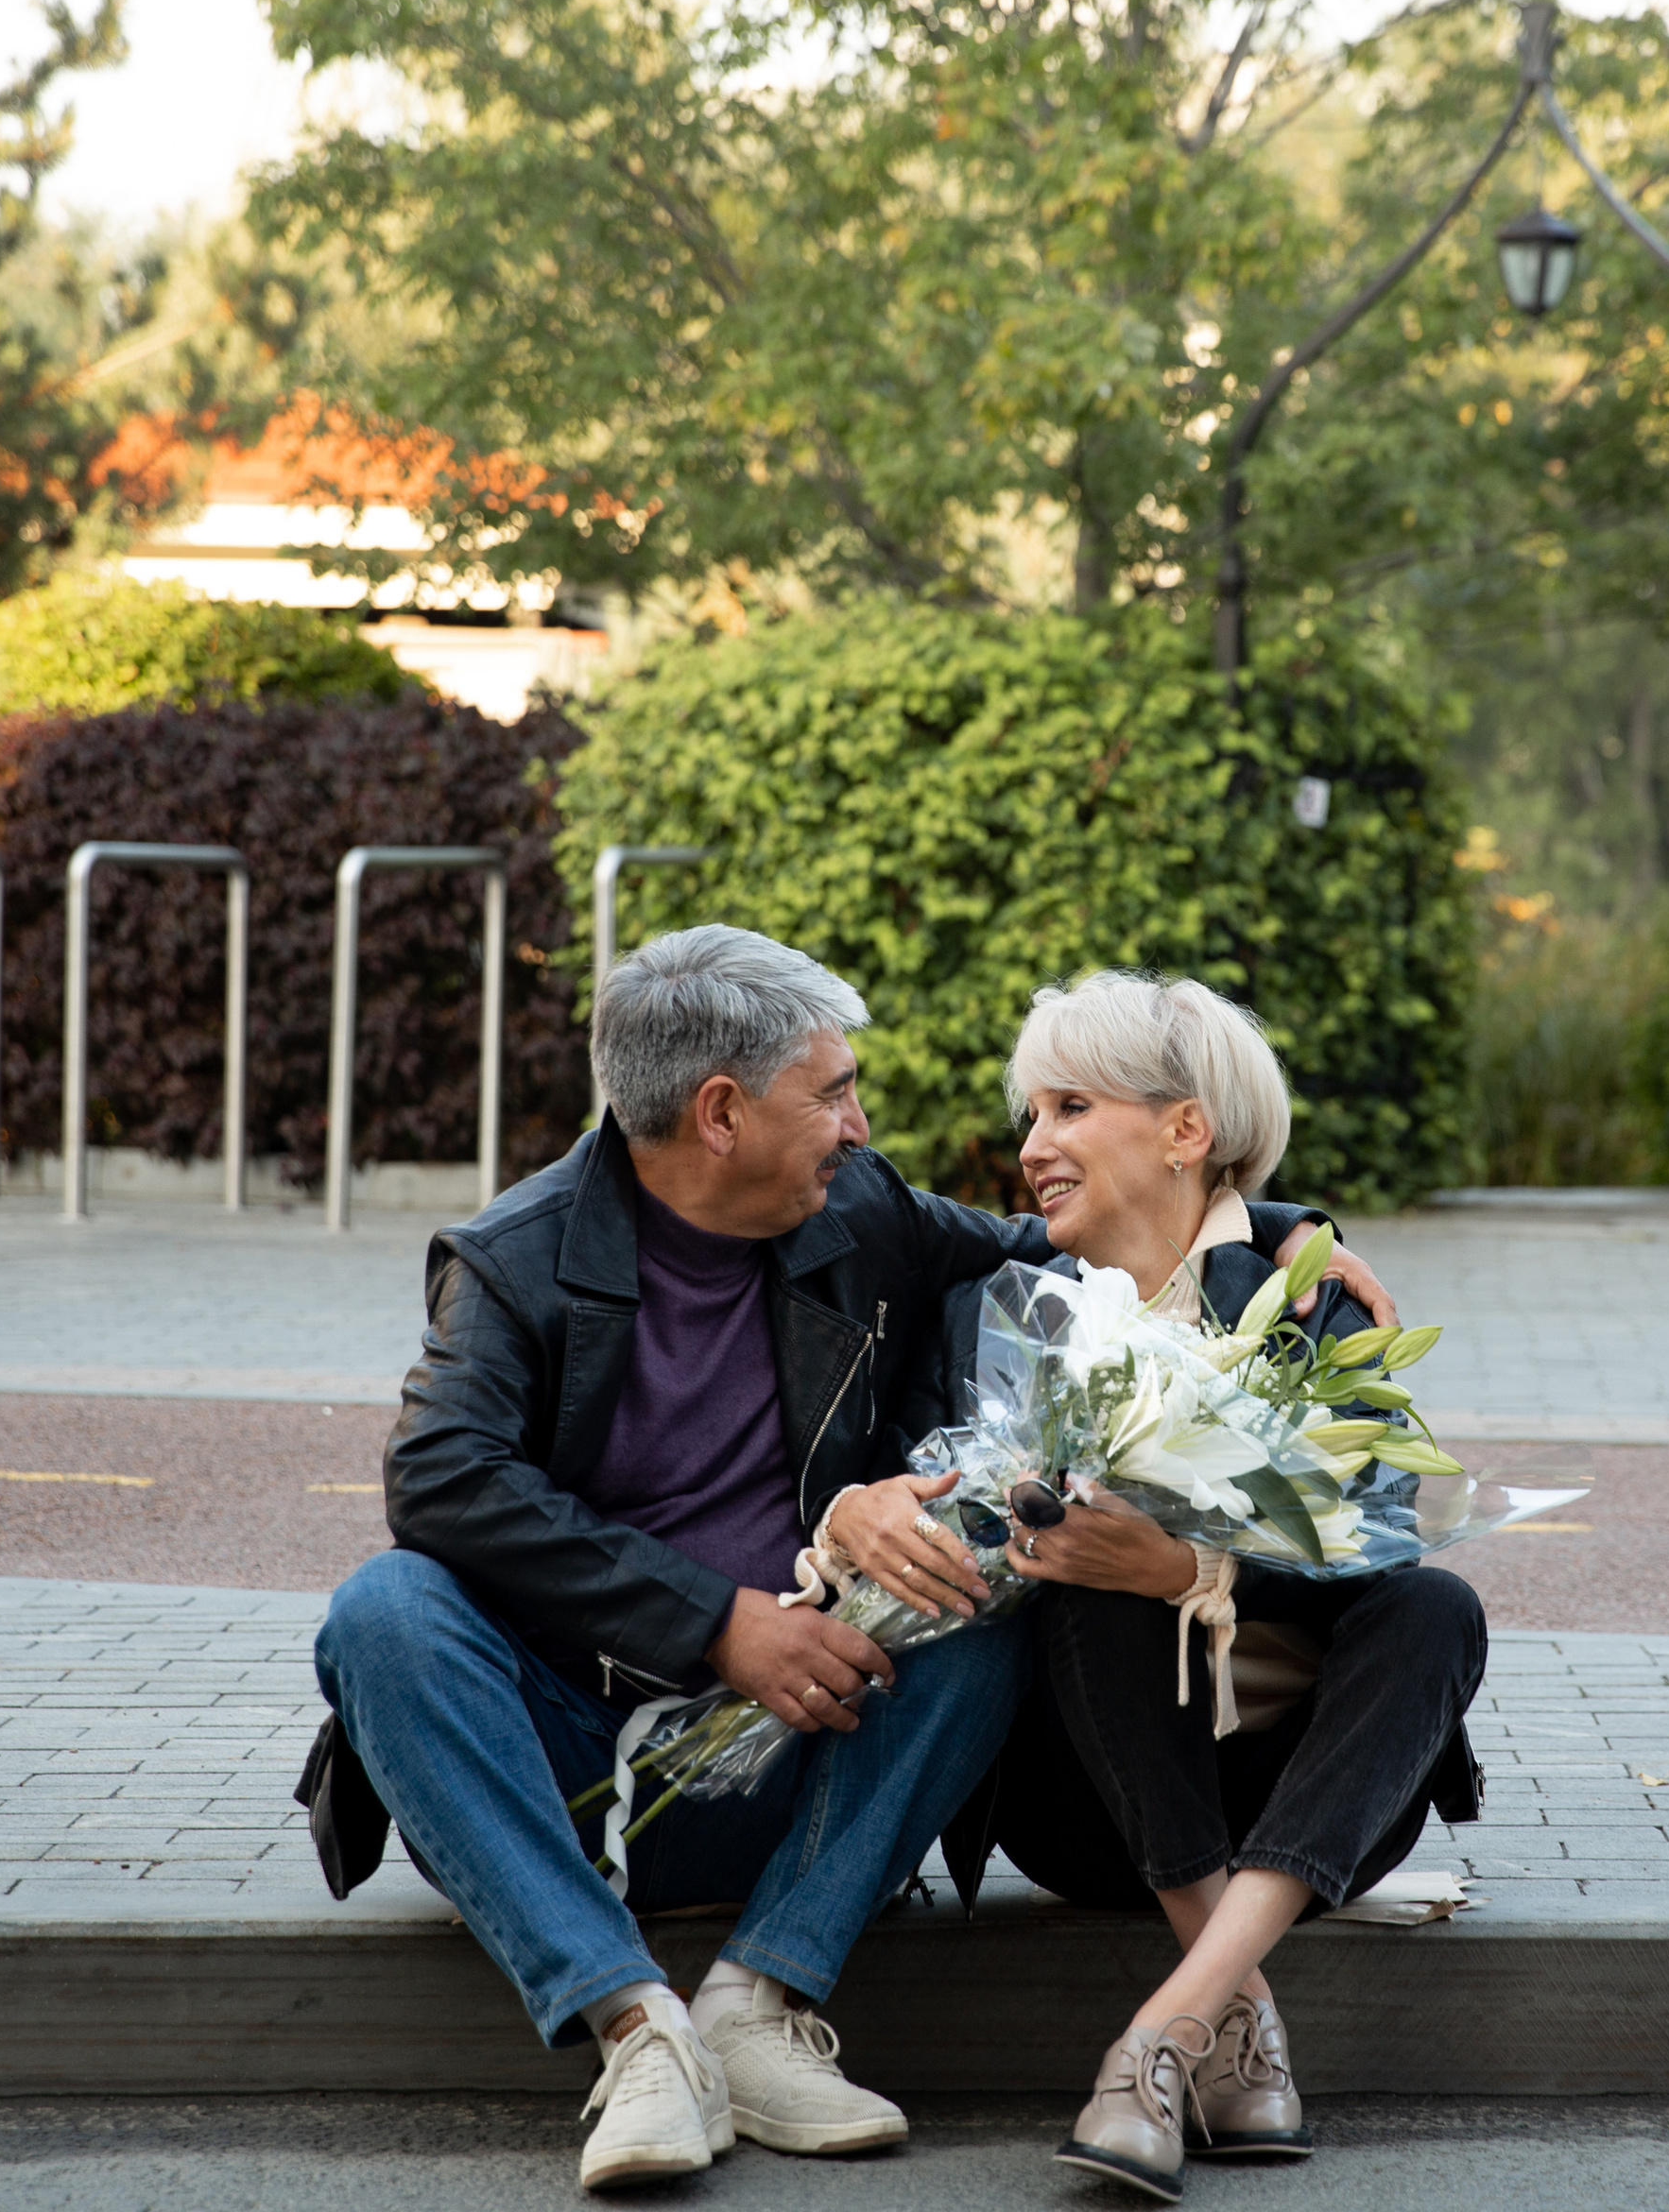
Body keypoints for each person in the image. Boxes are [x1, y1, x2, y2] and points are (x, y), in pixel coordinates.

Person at [299, 925, 1394, 2194]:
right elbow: (440, 1480)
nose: (860, 1128)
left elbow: (1066, 1231)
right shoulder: (513, 1260)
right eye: (832, 1094)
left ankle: (754, 2008)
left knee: (982, 1587)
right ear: (721, 1113)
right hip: (545, 1781)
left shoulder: (855, 1211)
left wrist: (1280, 1234)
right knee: (383, 1610)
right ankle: (637, 2031)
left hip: (805, 1763)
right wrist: (719, 1623)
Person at [922, 970, 1488, 2204]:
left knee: (1436, 1608)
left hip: (1308, 1800)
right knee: (1082, 1560)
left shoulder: (1308, 1304)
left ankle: (1166, 2033)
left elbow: (1377, 1531)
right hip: (1092, 1806)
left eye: (1071, 1107)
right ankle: (1225, 2014)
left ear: (1186, 1129)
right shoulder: (995, 1309)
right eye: (1031, 1114)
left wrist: (1195, 1566)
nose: (1033, 1145)